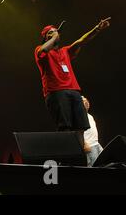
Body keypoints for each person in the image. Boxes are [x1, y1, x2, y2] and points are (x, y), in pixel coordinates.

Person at [34, 18, 110, 151]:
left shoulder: (64, 51)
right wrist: (54, 36)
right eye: (50, 33)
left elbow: (81, 41)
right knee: (65, 127)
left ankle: (81, 156)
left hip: (74, 91)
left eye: (56, 31)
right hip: (56, 92)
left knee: (81, 126)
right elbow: (43, 50)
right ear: (46, 37)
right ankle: (68, 156)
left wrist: (97, 28)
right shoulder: (41, 50)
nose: (55, 33)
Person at [82, 96, 103, 167]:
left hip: (96, 143)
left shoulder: (90, 116)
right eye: (83, 101)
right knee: (93, 166)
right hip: (90, 145)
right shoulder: (79, 117)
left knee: (103, 162)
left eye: (87, 101)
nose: (86, 103)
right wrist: (84, 144)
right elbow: (77, 132)